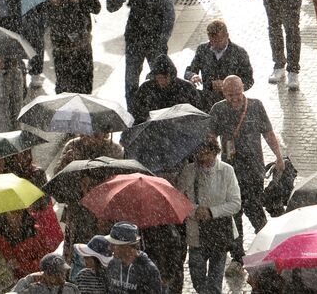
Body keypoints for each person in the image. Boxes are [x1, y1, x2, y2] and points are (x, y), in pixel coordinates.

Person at [210, 74, 283, 252]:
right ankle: (238, 255)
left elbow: (268, 133)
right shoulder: (217, 110)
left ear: (243, 89)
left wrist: (279, 156)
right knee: (234, 213)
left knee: (255, 208)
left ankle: (267, 247)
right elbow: (211, 138)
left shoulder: (256, 106)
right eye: (230, 95)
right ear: (223, 94)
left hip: (254, 169)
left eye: (238, 93)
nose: (235, 98)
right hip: (230, 171)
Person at [175, 137, 240, 294]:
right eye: (200, 154)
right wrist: (195, 210)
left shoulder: (227, 171)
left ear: (215, 152)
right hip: (196, 234)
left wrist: (211, 212)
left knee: (215, 281)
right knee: (197, 276)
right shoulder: (188, 171)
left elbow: (235, 203)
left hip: (219, 234)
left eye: (207, 154)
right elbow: (178, 199)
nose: (203, 158)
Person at [106, 0, 175, 109]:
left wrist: (163, 39)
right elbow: (112, 6)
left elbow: (169, 13)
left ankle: (162, 108)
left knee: (160, 76)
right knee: (131, 80)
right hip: (135, 39)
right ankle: (133, 111)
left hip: (155, 39)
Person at [104, 222, 165, 294]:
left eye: (113, 245)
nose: (110, 248)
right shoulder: (112, 264)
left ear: (126, 247)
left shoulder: (149, 270)